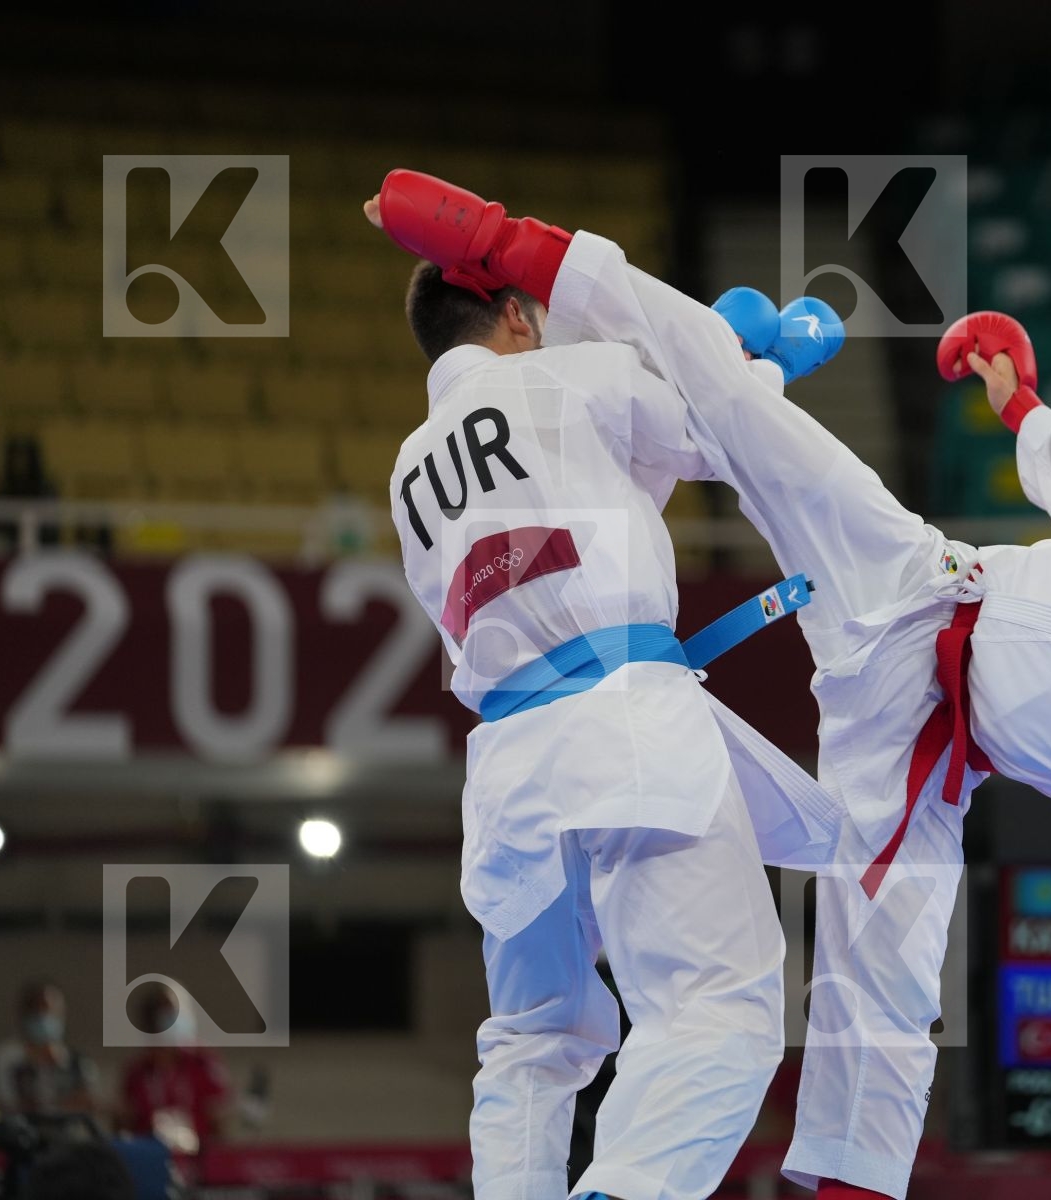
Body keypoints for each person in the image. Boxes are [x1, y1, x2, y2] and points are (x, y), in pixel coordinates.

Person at [373, 170, 1051, 1200]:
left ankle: (847, 1187)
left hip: (927, 758)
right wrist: (1022, 404)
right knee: (742, 416)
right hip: (910, 585)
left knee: (885, 959)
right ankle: (514, 240)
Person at [363, 198, 841, 1200]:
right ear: (517, 316)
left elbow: (573, 522)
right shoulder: (577, 374)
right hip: (626, 731)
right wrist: (764, 364)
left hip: (507, 770)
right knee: (719, 1011)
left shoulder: (409, 471)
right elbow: (727, 441)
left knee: (536, 1036)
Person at [117, 983, 232, 1154]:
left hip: (199, 1159)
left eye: (182, 1013)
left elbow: (219, 1119)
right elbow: (124, 1123)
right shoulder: (137, 1072)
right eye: (171, 1014)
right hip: (152, 1160)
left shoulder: (203, 1062)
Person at [0, 983, 98, 1123]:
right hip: (19, 1136)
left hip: (67, 1137)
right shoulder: (5, 1057)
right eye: (37, 1010)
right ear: (24, 1014)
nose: (45, 1017)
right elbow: (2, 1106)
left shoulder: (77, 1060)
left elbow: (88, 1102)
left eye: (51, 1011)